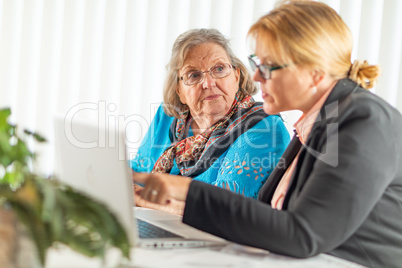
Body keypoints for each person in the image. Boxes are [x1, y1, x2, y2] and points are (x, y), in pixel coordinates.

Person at [134, 1, 402, 267]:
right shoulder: (313, 125)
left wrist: (186, 189)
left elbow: (303, 235)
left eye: (268, 66)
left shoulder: (364, 119)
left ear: (314, 72)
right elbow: (266, 214)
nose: (257, 77)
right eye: (257, 64)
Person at [131, 28, 290, 214]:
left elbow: (221, 211)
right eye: (194, 75)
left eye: (219, 69)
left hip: (219, 239)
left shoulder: (263, 127)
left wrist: (140, 198)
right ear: (179, 91)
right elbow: (139, 171)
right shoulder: (169, 116)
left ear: (236, 76)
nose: (208, 83)